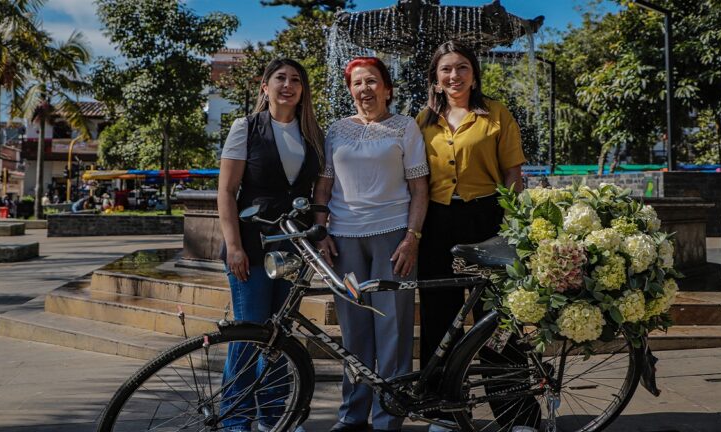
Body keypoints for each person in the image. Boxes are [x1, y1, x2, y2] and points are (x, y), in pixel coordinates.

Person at [415, 40, 536, 432]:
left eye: (462, 68)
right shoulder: (423, 120)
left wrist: (513, 228)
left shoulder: (495, 113)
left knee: (497, 320)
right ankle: (444, 414)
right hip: (436, 224)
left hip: (487, 220)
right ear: (435, 76)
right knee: (439, 319)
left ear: (474, 72)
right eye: (446, 69)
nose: (454, 76)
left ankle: (516, 415)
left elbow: (513, 175)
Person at [313, 57, 429, 432]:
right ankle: (351, 416)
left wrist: (412, 238)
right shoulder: (337, 130)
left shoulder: (404, 128)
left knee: (393, 330)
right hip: (345, 244)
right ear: (350, 90)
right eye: (358, 83)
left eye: (373, 81)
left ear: (387, 89)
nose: (365, 89)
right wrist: (321, 230)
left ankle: (387, 419)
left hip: (393, 239)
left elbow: (419, 188)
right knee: (354, 329)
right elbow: (324, 185)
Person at [217, 58, 324, 432]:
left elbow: (317, 191)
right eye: (280, 78)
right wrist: (233, 246)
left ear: (303, 90)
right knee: (248, 334)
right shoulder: (245, 127)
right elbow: (227, 192)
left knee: (280, 338)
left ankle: (273, 417)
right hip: (252, 245)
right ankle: (235, 420)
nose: (288, 85)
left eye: (296, 80)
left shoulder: (312, 132)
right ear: (265, 87)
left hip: (294, 248)